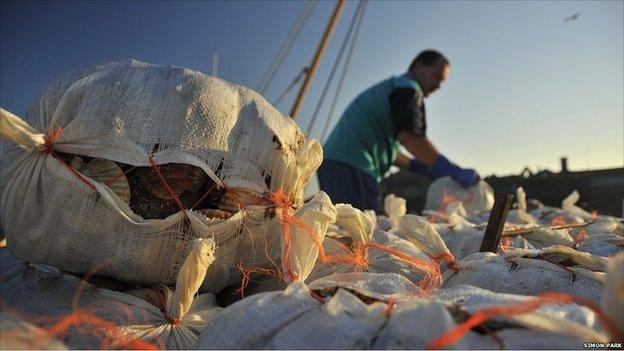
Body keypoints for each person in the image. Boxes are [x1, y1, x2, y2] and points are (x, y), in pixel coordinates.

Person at [317, 49, 479, 211]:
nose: (438, 86)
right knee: (358, 231)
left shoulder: (391, 91)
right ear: (417, 68)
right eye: (437, 76)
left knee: (341, 227)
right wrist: (452, 170)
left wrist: (425, 169)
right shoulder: (407, 88)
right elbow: (410, 138)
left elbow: (394, 154)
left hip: (333, 163)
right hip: (352, 167)